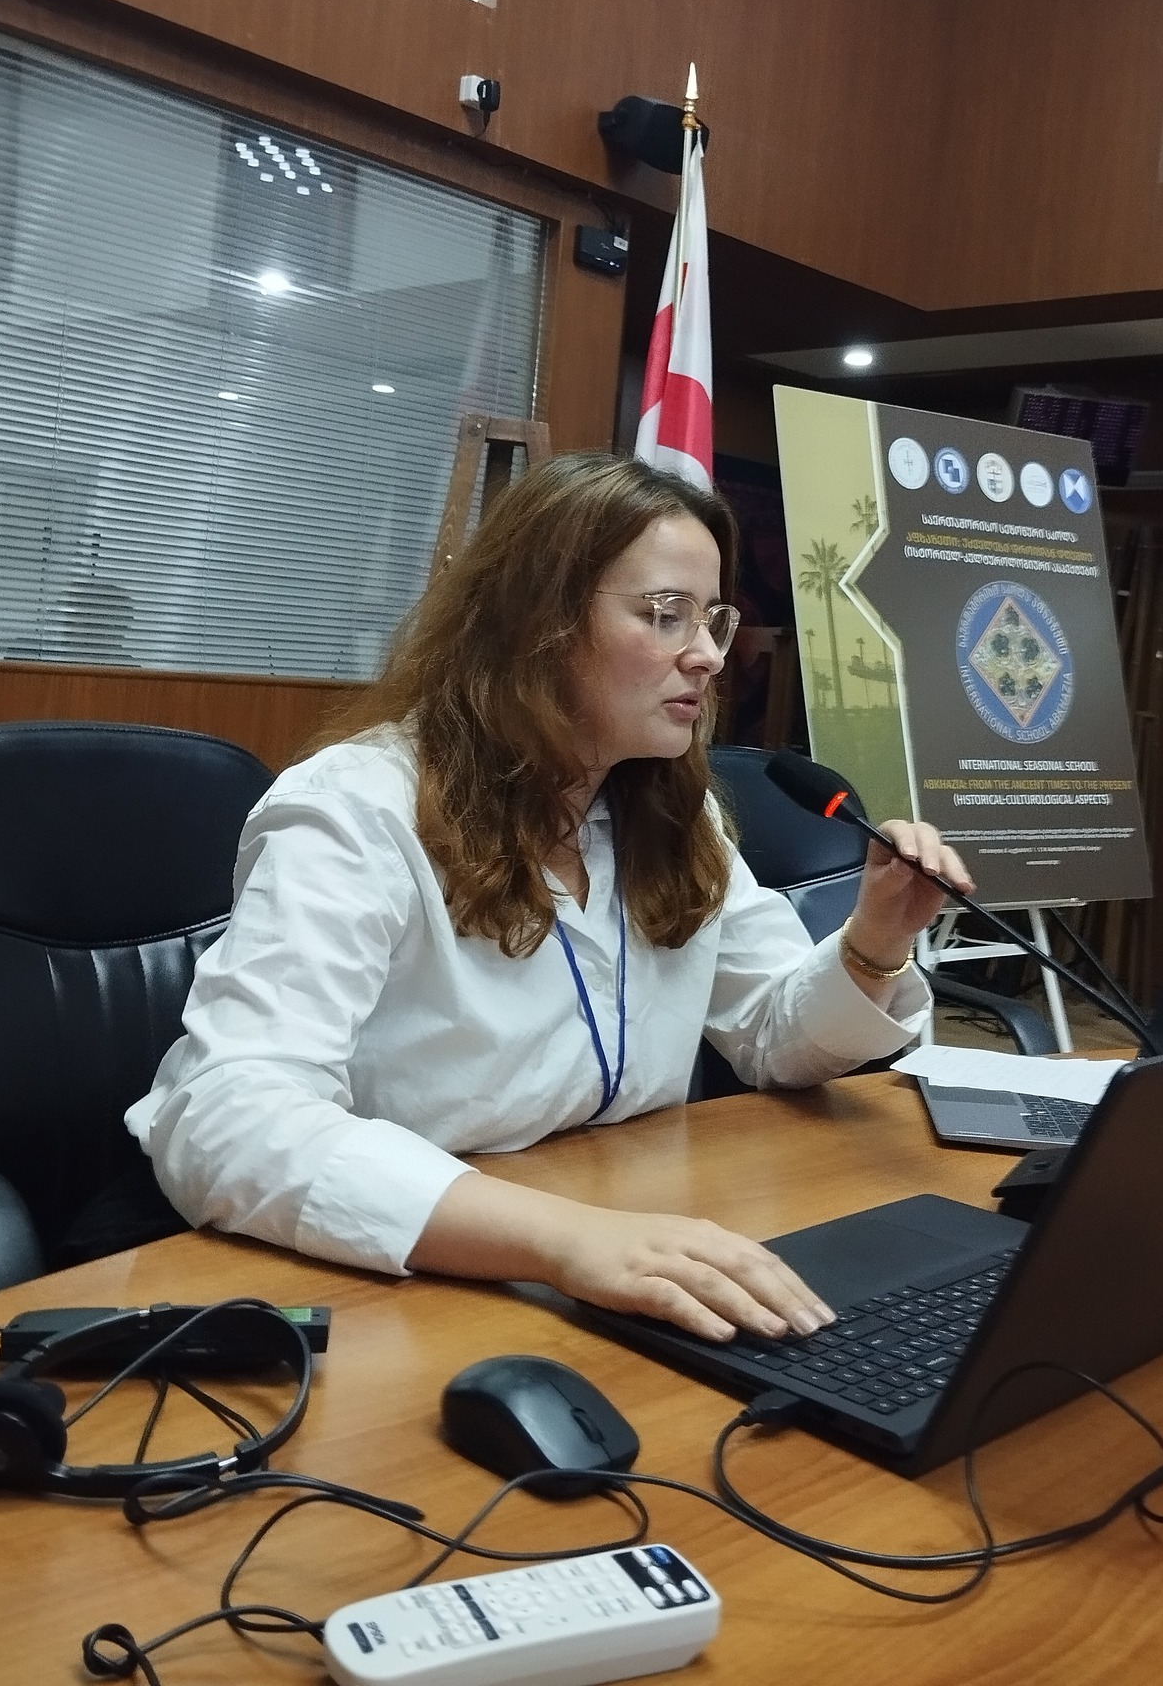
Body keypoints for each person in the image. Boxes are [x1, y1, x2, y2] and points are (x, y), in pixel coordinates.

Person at [126, 453, 971, 1345]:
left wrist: (875, 941)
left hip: (609, 1234)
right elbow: (229, 1117)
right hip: (401, 1277)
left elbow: (770, 1036)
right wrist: (566, 1240)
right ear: (540, 624)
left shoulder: (671, 811)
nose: (711, 655)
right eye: (665, 614)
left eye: (713, 618)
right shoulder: (356, 807)